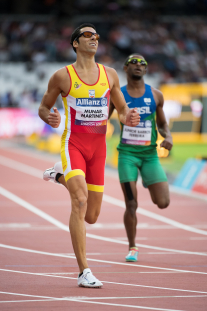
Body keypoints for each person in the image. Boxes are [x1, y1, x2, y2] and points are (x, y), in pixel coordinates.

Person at [44, 54, 173, 264]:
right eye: (134, 63)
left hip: (150, 155)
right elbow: (110, 113)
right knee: (129, 204)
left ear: (147, 70)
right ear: (125, 68)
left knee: (162, 202)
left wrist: (167, 136)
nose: (138, 66)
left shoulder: (155, 95)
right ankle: (132, 248)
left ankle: (61, 176)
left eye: (143, 64)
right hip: (127, 155)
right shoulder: (116, 91)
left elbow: (161, 123)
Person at [39, 24, 140, 288]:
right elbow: (43, 106)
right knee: (80, 201)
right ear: (75, 43)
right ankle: (84, 271)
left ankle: (58, 174)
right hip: (74, 145)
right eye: (87, 35)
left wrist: (127, 117)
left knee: (92, 216)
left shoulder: (110, 75)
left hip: (98, 149)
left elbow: (121, 110)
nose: (94, 38)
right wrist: (48, 116)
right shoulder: (63, 76)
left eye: (97, 35)